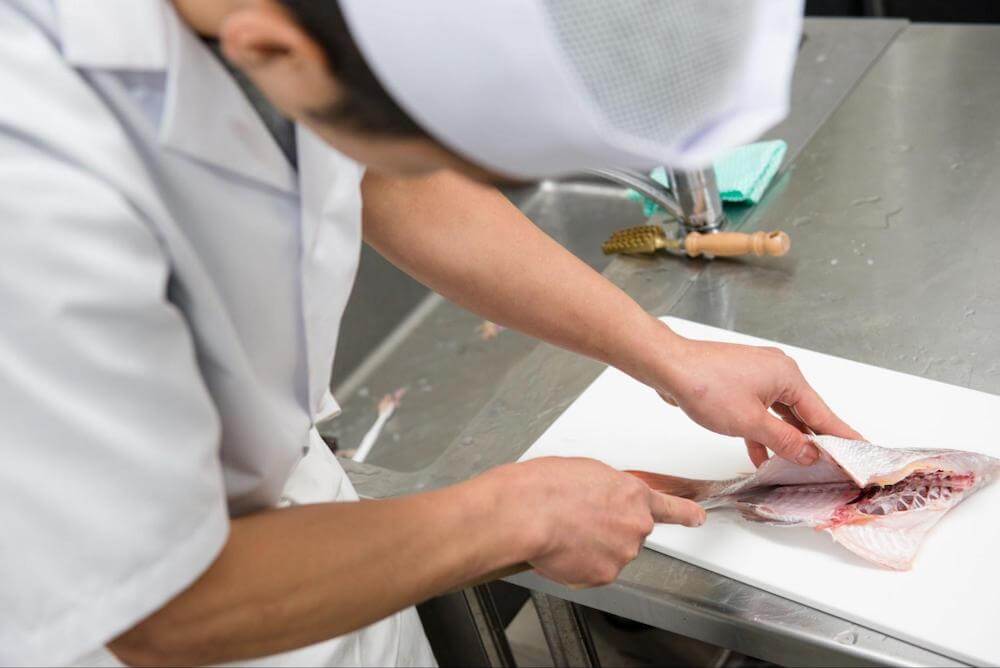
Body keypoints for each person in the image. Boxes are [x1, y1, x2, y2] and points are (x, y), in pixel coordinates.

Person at [0, 0, 860, 665]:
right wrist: (510, 516)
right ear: (273, 53)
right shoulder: (34, 189)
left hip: (315, 543)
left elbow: (383, 167)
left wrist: (671, 358)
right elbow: (157, 606)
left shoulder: (312, 32)